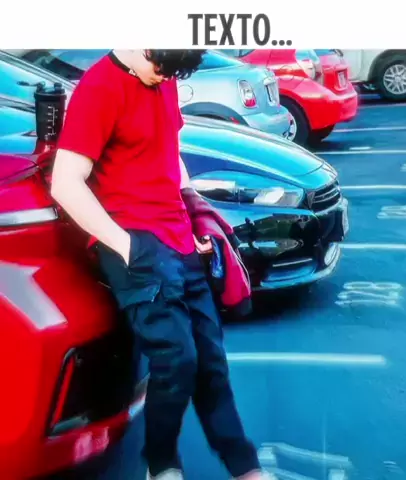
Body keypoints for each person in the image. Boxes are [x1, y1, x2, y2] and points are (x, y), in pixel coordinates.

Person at [51, 50, 272, 480]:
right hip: (134, 241)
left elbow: (170, 151)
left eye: (174, 72)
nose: (165, 78)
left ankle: (245, 468)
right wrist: (126, 248)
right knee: (177, 360)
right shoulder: (99, 89)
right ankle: (162, 464)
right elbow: (66, 182)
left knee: (210, 360)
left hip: (179, 235)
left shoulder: (164, 73)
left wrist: (193, 209)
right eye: (161, 68)